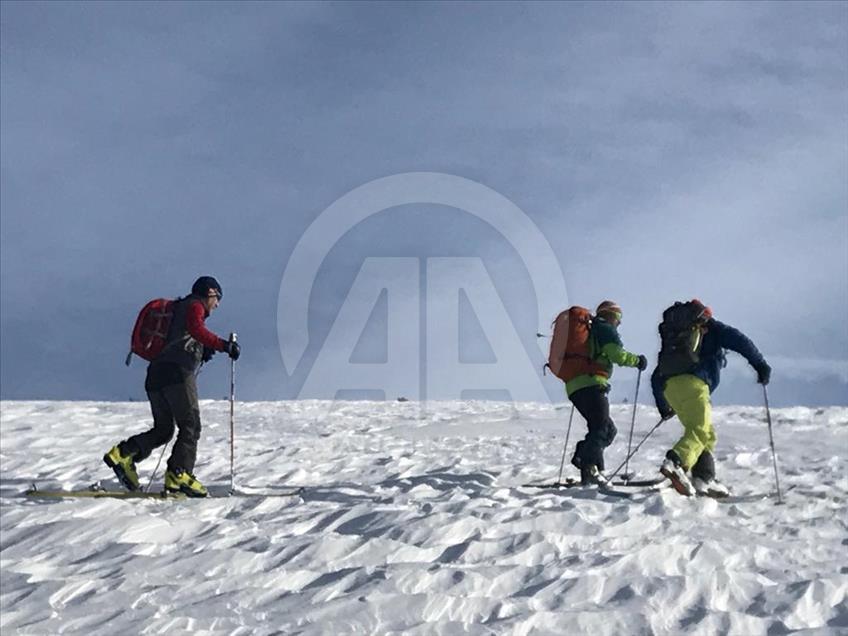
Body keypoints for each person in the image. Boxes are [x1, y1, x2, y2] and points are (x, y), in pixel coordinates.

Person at [104, 276, 241, 497]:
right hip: (177, 375)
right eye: (217, 298)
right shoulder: (194, 305)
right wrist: (223, 345)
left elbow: (187, 336)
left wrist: (202, 349)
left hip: (156, 376)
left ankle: (124, 454)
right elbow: (197, 329)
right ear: (209, 293)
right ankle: (179, 473)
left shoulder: (178, 310)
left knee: (164, 430)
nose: (217, 305)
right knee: (191, 426)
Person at [651, 299, 770, 497]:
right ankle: (675, 462)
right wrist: (760, 364)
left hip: (670, 388)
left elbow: (657, 375)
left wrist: (663, 405)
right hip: (695, 385)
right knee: (699, 431)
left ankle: (703, 479)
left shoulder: (676, 342)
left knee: (707, 432)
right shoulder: (713, 329)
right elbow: (741, 341)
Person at [567, 300, 648, 484]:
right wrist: (637, 361)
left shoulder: (591, 329)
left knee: (605, 429)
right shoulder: (604, 328)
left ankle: (585, 459)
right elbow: (616, 354)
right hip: (592, 383)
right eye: (618, 319)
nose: (618, 323)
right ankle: (590, 469)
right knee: (603, 429)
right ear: (612, 315)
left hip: (575, 385)